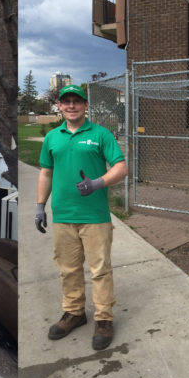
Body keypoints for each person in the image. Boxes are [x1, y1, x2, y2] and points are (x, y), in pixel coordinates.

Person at [35, 84, 127, 350]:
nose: (71, 106)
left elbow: (121, 167)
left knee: (100, 269)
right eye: (67, 102)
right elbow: (46, 173)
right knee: (68, 269)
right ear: (60, 106)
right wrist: (40, 206)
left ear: (86, 106)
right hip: (63, 215)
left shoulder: (100, 135)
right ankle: (74, 313)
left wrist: (98, 183)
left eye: (77, 101)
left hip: (95, 216)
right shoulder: (53, 137)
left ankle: (103, 319)